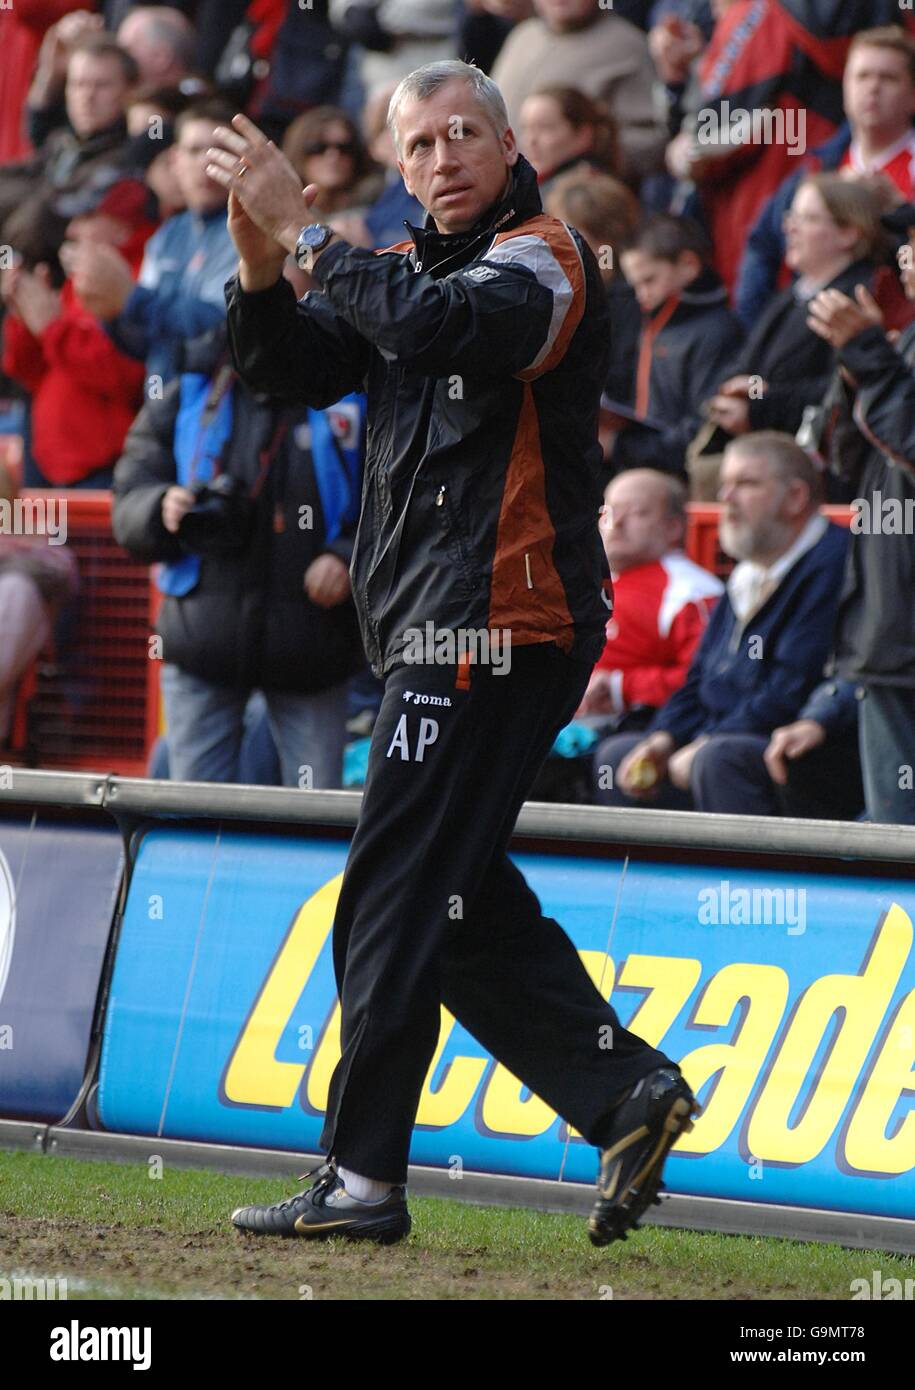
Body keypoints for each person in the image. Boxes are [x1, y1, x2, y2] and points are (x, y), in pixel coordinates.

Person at [210, 57, 698, 1246]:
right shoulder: (402, 272)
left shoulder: (547, 254)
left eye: (461, 133)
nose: (442, 158)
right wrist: (260, 260)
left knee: (388, 891)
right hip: (443, 626)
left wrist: (305, 227)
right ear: (400, 165)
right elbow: (286, 366)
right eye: (418, 144)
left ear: (507, 142)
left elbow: (437, 328)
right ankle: (624, 1087)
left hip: (493, 622)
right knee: (450, 898)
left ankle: (365, 1181)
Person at [111, 316, 366, 789]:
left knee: (315, 830)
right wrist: (159, 507)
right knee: (196, 821)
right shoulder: (189, 386)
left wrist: (347, 555)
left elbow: (399, 495)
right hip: (201, 645)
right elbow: (128, 499)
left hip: (313, 647)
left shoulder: (349, 384)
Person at [593, 432, 849, 814]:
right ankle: (642, 876)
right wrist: (665, 737)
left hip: (801, 745)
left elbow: (790, 689)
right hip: (726, 733)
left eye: (745, 484)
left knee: (717, 761)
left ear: (796, 497)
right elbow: (697, 678)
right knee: (620, 756)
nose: (726, 498)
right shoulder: (750, 568)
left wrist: (706, 740)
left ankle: (751, 876)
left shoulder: (831, 562)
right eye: (725, 484)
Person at [805, 199, 915, 825]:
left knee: (899, 834)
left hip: (901, 631)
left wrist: (870, 354)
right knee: (891, 830)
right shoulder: (903, 338)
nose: (905, 256)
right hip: (889, 631)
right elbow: (845, 459)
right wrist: (854, 366)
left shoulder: (890, 346)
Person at [736, 25, 915, 327]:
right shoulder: (818, 165)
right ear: (844, 87)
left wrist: (901, 213)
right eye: (862, 76)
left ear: (912, 95)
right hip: (810, 338)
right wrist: (760, 332)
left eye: (888, 78)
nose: (873, 88)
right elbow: (763, 244)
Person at [67, 98, 241, 386]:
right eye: (195, 150)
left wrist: (130, 299)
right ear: (175, 161)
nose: (207, 162)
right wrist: (111, 314)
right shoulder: (167, 234)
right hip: (163, 405)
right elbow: (145, 342)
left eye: (221, 151)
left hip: (218, 406)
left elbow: (223, 326)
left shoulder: (247, 232)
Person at [579, 469, 723, 725]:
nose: (617, 523)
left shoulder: (692, 593)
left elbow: (708, 680)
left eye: (637, 512)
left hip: (630, 723)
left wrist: (622, 686)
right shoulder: (580, 579)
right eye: (610, 511)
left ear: (673, 527)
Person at [612, 213, 744, 477]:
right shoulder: (649, 320)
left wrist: (624, 447)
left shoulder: (717, 331)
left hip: (680, 476)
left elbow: (703, 428)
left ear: (688, 264)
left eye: (649, 280)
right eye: (635, 284)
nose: (641, 295)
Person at [491, 0, 668, 181]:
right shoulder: (523, 35)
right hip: (504, 193)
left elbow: (653, 140)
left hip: (576, 198)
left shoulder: (627, 46)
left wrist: (589, 155)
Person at [519, 86, 619, 199]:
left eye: (546, 127)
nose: (531, 140)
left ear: (583, 135)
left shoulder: (585, 194)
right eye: (525, 128)